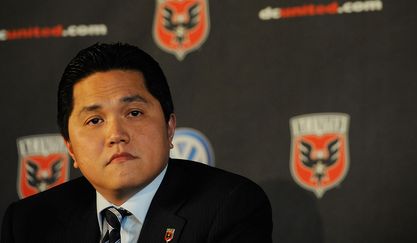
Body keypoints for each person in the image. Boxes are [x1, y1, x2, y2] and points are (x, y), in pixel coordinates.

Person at [1, 43, 272, 243]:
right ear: (71, 148)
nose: (116, 134)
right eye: (95, 120)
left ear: (169, 128)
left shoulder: (229, 207)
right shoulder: (29, 223)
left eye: (134, 113)